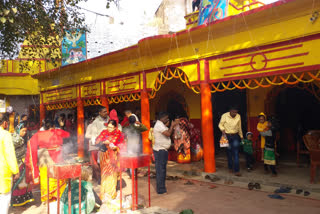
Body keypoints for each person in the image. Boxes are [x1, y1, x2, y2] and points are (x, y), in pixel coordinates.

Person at [25, 119, 70, 202]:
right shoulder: (57, 132)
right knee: (58, 178)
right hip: (57, 157)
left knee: (46, 178)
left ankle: (47, 197)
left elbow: (31, 145)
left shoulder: (38, 134)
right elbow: (67, 134)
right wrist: (60, 127)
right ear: (53, 126)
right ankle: (59, 195)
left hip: (43, 157)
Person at [95, 120, 125, 200]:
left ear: (115, 127)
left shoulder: (119, 134)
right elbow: (97, 141)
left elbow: (123, 145)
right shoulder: (104, 132)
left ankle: (111, 195)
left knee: (112, 175)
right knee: (104, 175)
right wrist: (103, 142)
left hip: (113, 156)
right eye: (108, 127)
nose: (109, 129)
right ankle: (103, 194)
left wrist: (116, 147)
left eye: (111, 127)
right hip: (104, 156)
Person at [153, 112, 178, 194]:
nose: (167, 120)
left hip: (162, 150)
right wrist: (172, 126)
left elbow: (167, 131)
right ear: (162, 118)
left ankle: (162, 188)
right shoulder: (159, 125)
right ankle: (161, 190)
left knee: (162, 170)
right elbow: (168, 134)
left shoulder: (161, 124)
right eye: (166, 118)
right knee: (161, 170)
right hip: (160, 151)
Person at [11, 122, 34, 207]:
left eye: (25, 131)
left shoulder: (20, 138)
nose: (24, 133)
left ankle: (23, 199)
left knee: (23, 181)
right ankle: (17, 200)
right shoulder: (16, 139)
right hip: (17, 163)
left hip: (22, 162)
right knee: (19, 182)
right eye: (22, 131)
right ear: (18, 130)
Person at [0, 113, 19, 214]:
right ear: (4, 123)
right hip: (2, 173)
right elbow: (9, 154)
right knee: (4, 198)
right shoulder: (5, 135)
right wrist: (15, 170)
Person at [218, 106, 244, 176]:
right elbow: (220, 124)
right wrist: (222, 129)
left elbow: (239, 127)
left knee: (236, 153)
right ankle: (230, 167)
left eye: (236, 112)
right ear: (230, 111)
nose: (235, 113)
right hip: (226, 136)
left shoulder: (238, 116)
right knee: (229, 152)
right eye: (233, 112)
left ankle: (237, 170)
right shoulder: (224, 115)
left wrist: (241, 136)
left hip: (235, 136)